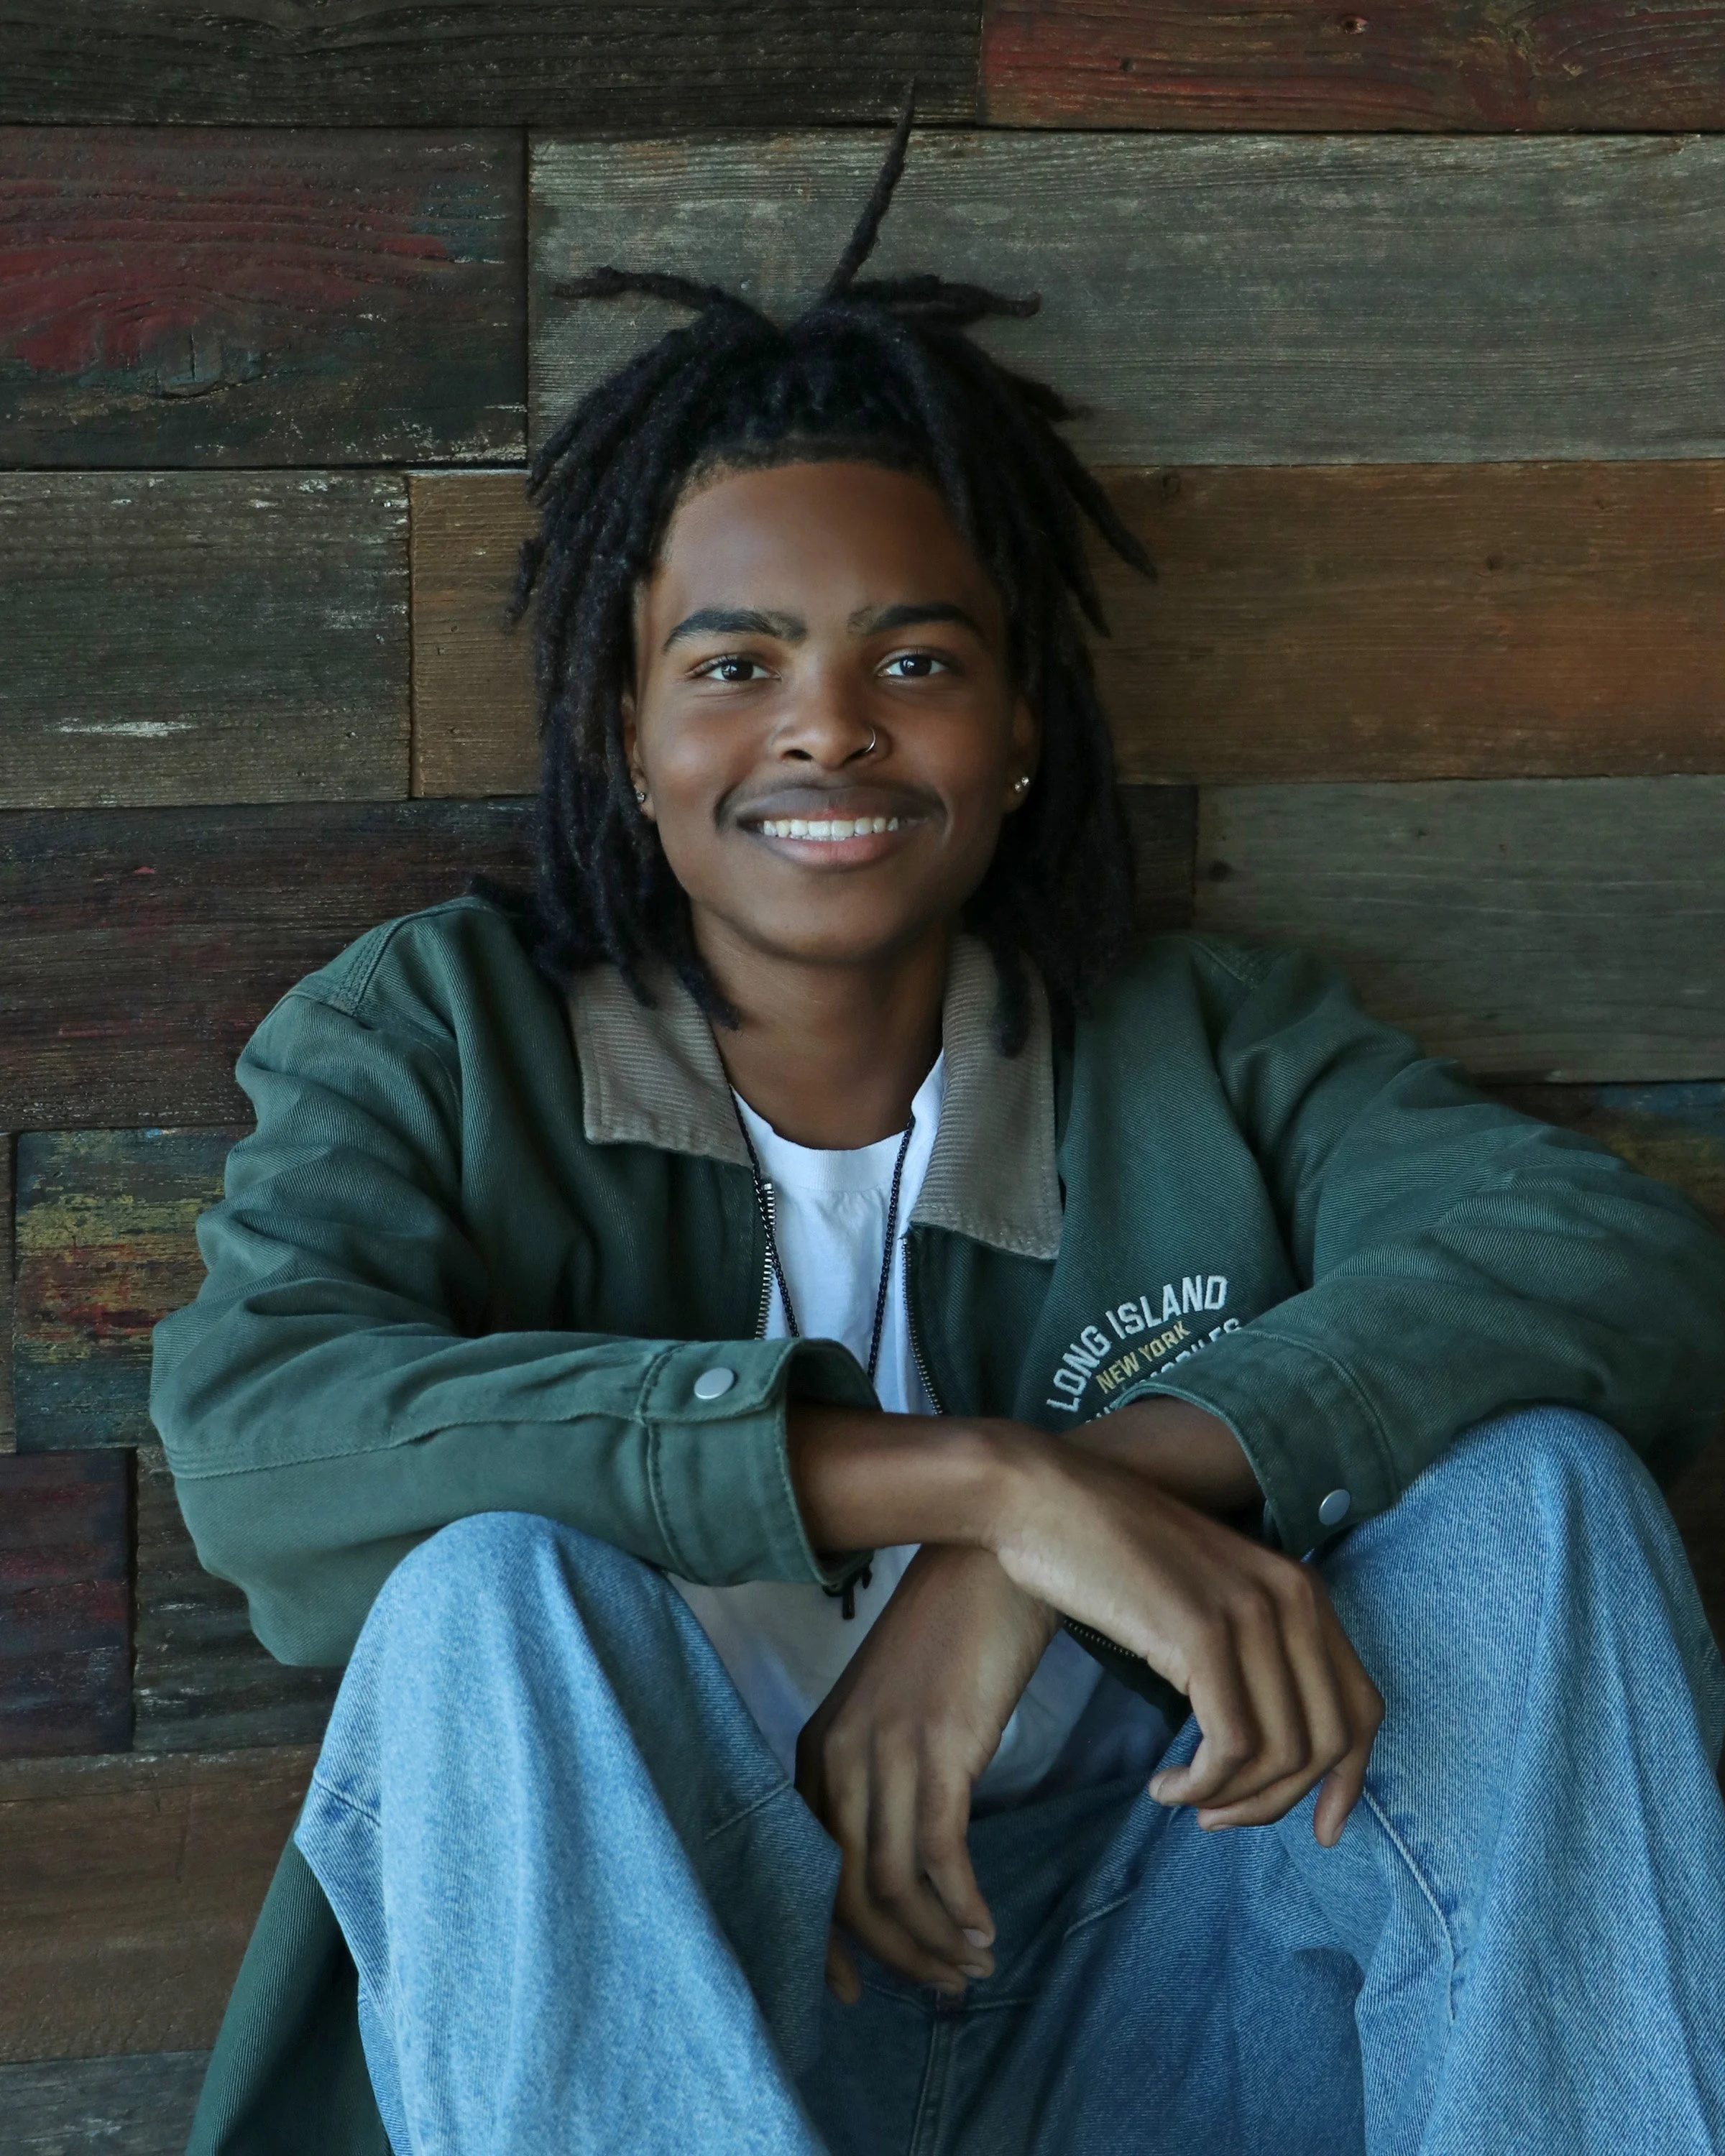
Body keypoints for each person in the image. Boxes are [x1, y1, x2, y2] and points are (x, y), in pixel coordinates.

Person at [152, 108, 1725, 2156]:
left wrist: (1073, 1517)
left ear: (1021, 728)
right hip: (686, 2022)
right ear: (626, 732)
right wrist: (978, 1481)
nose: (829, 726)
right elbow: (266, 1428)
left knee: (1543, 1504)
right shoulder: (439, 1037)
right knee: (482, 1604)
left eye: (915, 659)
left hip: (1165, 2004)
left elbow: (1615, 1268)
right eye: (735, 664)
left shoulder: (1197, 1044)